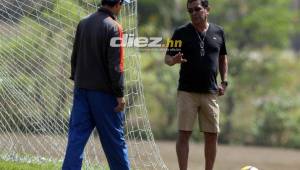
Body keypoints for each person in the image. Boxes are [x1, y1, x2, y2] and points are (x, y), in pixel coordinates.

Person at [62, 0, 130, 169]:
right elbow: (116, 66)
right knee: (115, 142)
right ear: (117, 4)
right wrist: (119, 94)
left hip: (81, 91)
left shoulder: (83, 23)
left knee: (76, 140)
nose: (122, 8)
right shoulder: (114, 27)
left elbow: (74, 57)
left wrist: (78, 81)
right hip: (104, 96)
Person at [164, 0, 228, 170]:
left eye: (197, 9)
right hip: (187, 92)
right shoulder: (180, 32)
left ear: (207, 10)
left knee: (212, 134)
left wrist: (224, 81)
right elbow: (167, 58)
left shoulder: (219, 32)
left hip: (211, 92)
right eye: (190, 10)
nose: (193, 13)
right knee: (184, 133)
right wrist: (174, 60)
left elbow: (223, 58)